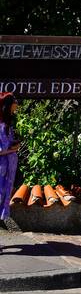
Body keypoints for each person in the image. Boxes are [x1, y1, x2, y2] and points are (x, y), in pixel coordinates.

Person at [0, 95, 21, 226]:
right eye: (14, 102)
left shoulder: (8, 124)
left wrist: (14, 144)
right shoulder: (1, 126)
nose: (17, 104)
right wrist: (14, 149)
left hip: (7, 171)